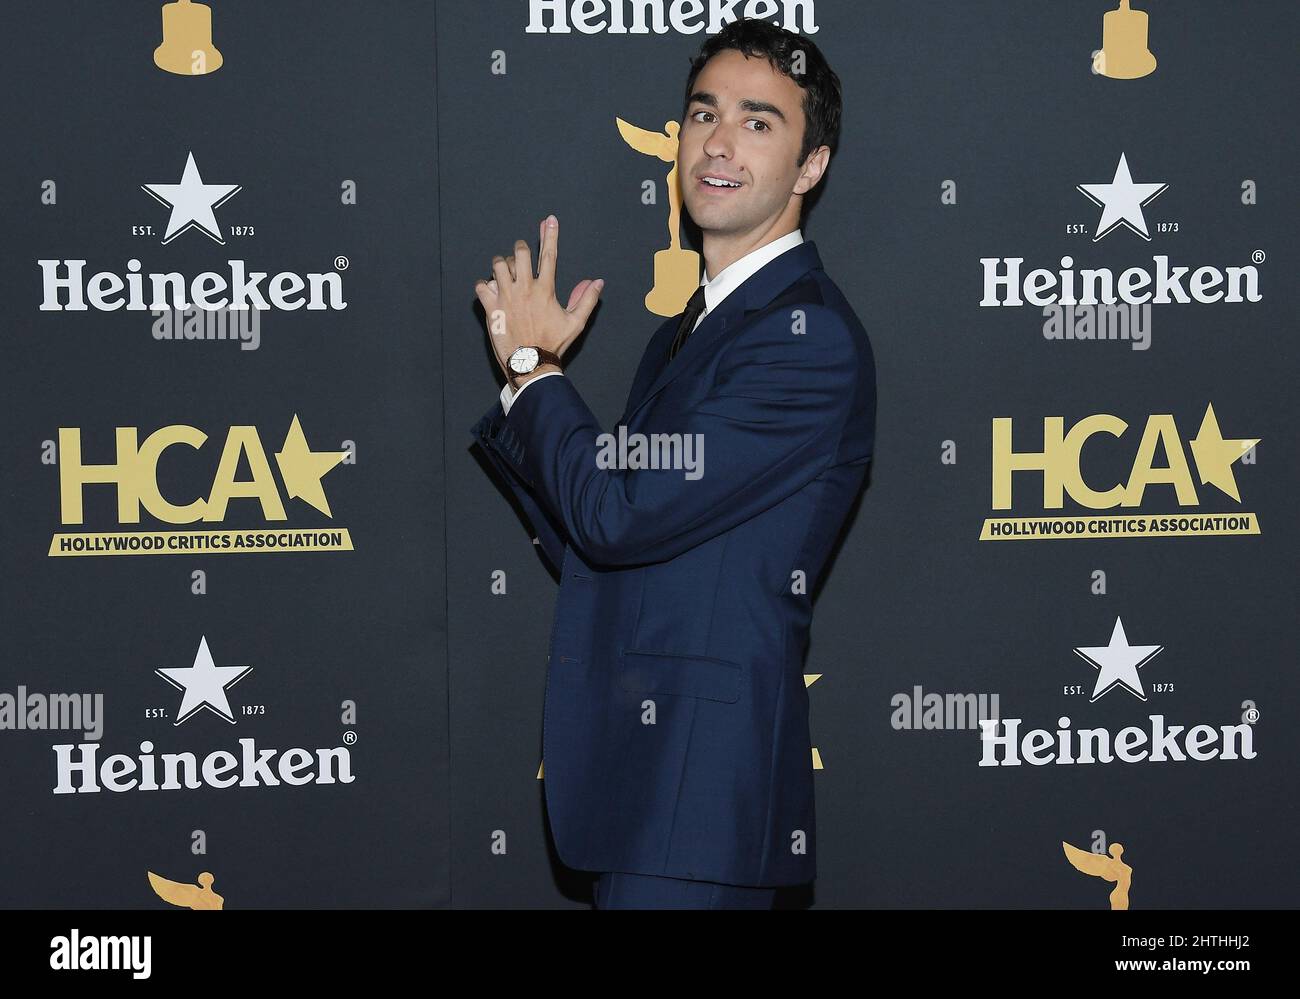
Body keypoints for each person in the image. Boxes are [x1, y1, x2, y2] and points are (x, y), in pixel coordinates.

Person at [470, 18, 875, 910]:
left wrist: (537, 377)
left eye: (760, 122)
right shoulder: (686, 333)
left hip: (697, 800)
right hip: (646, 784)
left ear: (812, 167)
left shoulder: (803, 341)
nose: (718, 142)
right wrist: (523, 392)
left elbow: (618, 513)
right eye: (703, 114)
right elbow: (608, 534)